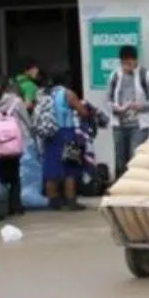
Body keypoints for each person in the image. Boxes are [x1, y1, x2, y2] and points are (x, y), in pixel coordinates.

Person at [105, 44, 149, 181]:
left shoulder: (145, 75)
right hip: (119, 124)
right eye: (124, 63)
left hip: (139, 125)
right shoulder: (115, 76)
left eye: (130, 63)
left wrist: (137, 106)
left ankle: (137, 186)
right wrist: (116, 108)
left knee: (136, 159)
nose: (127, 66)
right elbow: (108, 100)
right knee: (120, 160)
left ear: (135, 60)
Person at [0, 74, 30, 217]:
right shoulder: (16, 102)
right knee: (15, 176)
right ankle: (16, 205)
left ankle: (0, 207)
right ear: (8, 87)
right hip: (13, 145)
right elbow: (26, 120)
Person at [44, 71, 91, 210]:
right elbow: (83, 112)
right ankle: (71, 200)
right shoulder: (67, 93)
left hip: (50, 133)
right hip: (67, 132)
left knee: (51, 166)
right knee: (71, 166)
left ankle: (53, 200)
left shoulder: (46, 94)